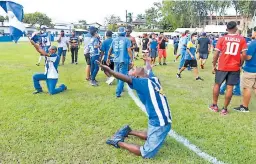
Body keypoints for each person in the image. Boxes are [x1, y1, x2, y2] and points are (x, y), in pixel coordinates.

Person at [100, 58, 172, 158]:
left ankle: (128, 131)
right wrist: (110, 71)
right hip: (160, 122)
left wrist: (147, 60)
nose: (135, 67)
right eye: (133, 70)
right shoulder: (142, 83)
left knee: (151, 135)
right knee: (146, 153)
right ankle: (118, 142)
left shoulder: (152, 78)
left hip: (161, 120)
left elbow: (148, 68)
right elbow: (125, 78)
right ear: (136, 77)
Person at [209, 21, 247, 115]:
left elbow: (216, 53)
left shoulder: (222, 39)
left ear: (227, 28)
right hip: (234, 67)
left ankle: (214, 105)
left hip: (222, 66)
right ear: (236, 28)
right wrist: (240, 64)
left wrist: (214, 65)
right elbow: (244, 54)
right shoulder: (241, 39)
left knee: (217, 84)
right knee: (230, 87)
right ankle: (224, 109)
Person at [107, 27, 133, 98]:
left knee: (117, 75)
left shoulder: (114, 40)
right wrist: (132, 59)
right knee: (122, 76)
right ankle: (118, 92)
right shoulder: (127, 40)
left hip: (116, 60)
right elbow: (129, 50)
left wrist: (108, 58)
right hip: (123, 60)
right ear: (124, 32)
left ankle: (120, 88)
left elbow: (110, 50)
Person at [233, 36, 256, 112]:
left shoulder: (253, 43)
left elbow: (248, 57)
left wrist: (242, 55)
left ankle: (244, 107)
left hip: (251, 69)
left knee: (247, 88)